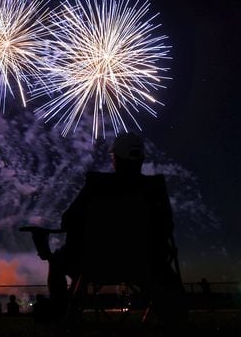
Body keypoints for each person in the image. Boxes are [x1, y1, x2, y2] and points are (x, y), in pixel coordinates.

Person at [24, 132, 185, 321]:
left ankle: (62, 310)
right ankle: (169, 312)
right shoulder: (155, 188)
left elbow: (68, 220)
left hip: (92, 264)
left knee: (57, 261)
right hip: (145, 264)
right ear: (141, 159)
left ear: (116, 158)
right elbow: (166, 227)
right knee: (161, 269)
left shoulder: (97, 185)